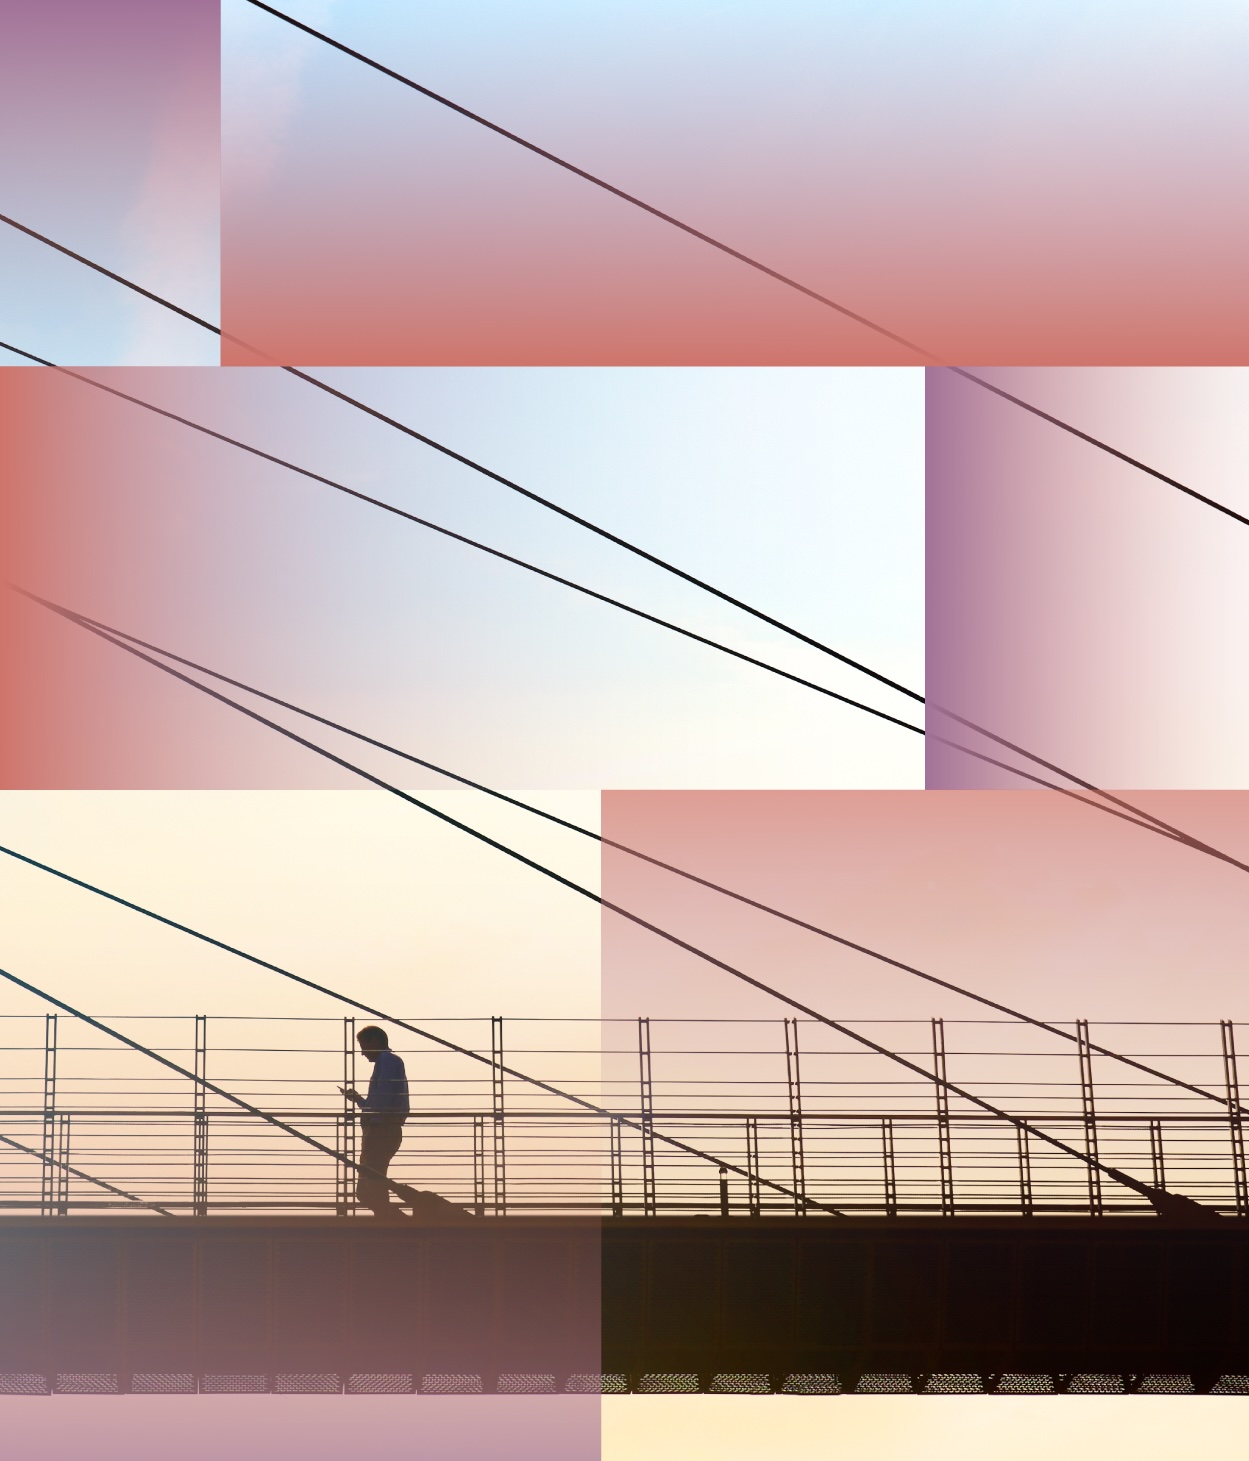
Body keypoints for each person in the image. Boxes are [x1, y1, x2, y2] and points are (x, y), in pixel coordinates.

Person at [338, 1025, 411, 1218]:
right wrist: (361, 1101)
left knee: (367, 1189)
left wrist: (371, 1120)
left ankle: (396, 1224)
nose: (362, 1052)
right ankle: (392, 1222)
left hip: (381, 1131)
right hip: (385, 1128)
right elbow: (382, 1098)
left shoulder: (385, 1061)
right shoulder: (391, 1061)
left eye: (363, 1046)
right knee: (372, 1186)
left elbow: (383, 1099)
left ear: (374, 1042)